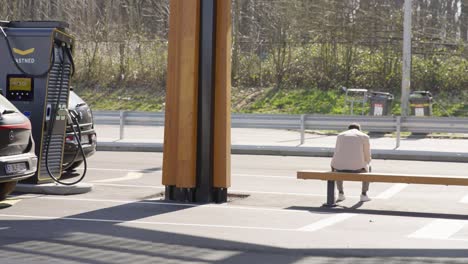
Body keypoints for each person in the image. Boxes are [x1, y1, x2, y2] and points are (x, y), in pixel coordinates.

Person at [331, 123, 371, 202]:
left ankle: (340, 193)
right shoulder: (364, 136)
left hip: (340, 168)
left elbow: (336, 151)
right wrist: (367, 163)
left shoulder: (340, 136)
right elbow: (367, 155)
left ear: (348, 129)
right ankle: (364, 194)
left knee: (337, 168)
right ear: (359, 129)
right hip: (358, 168)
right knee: (368, 168)